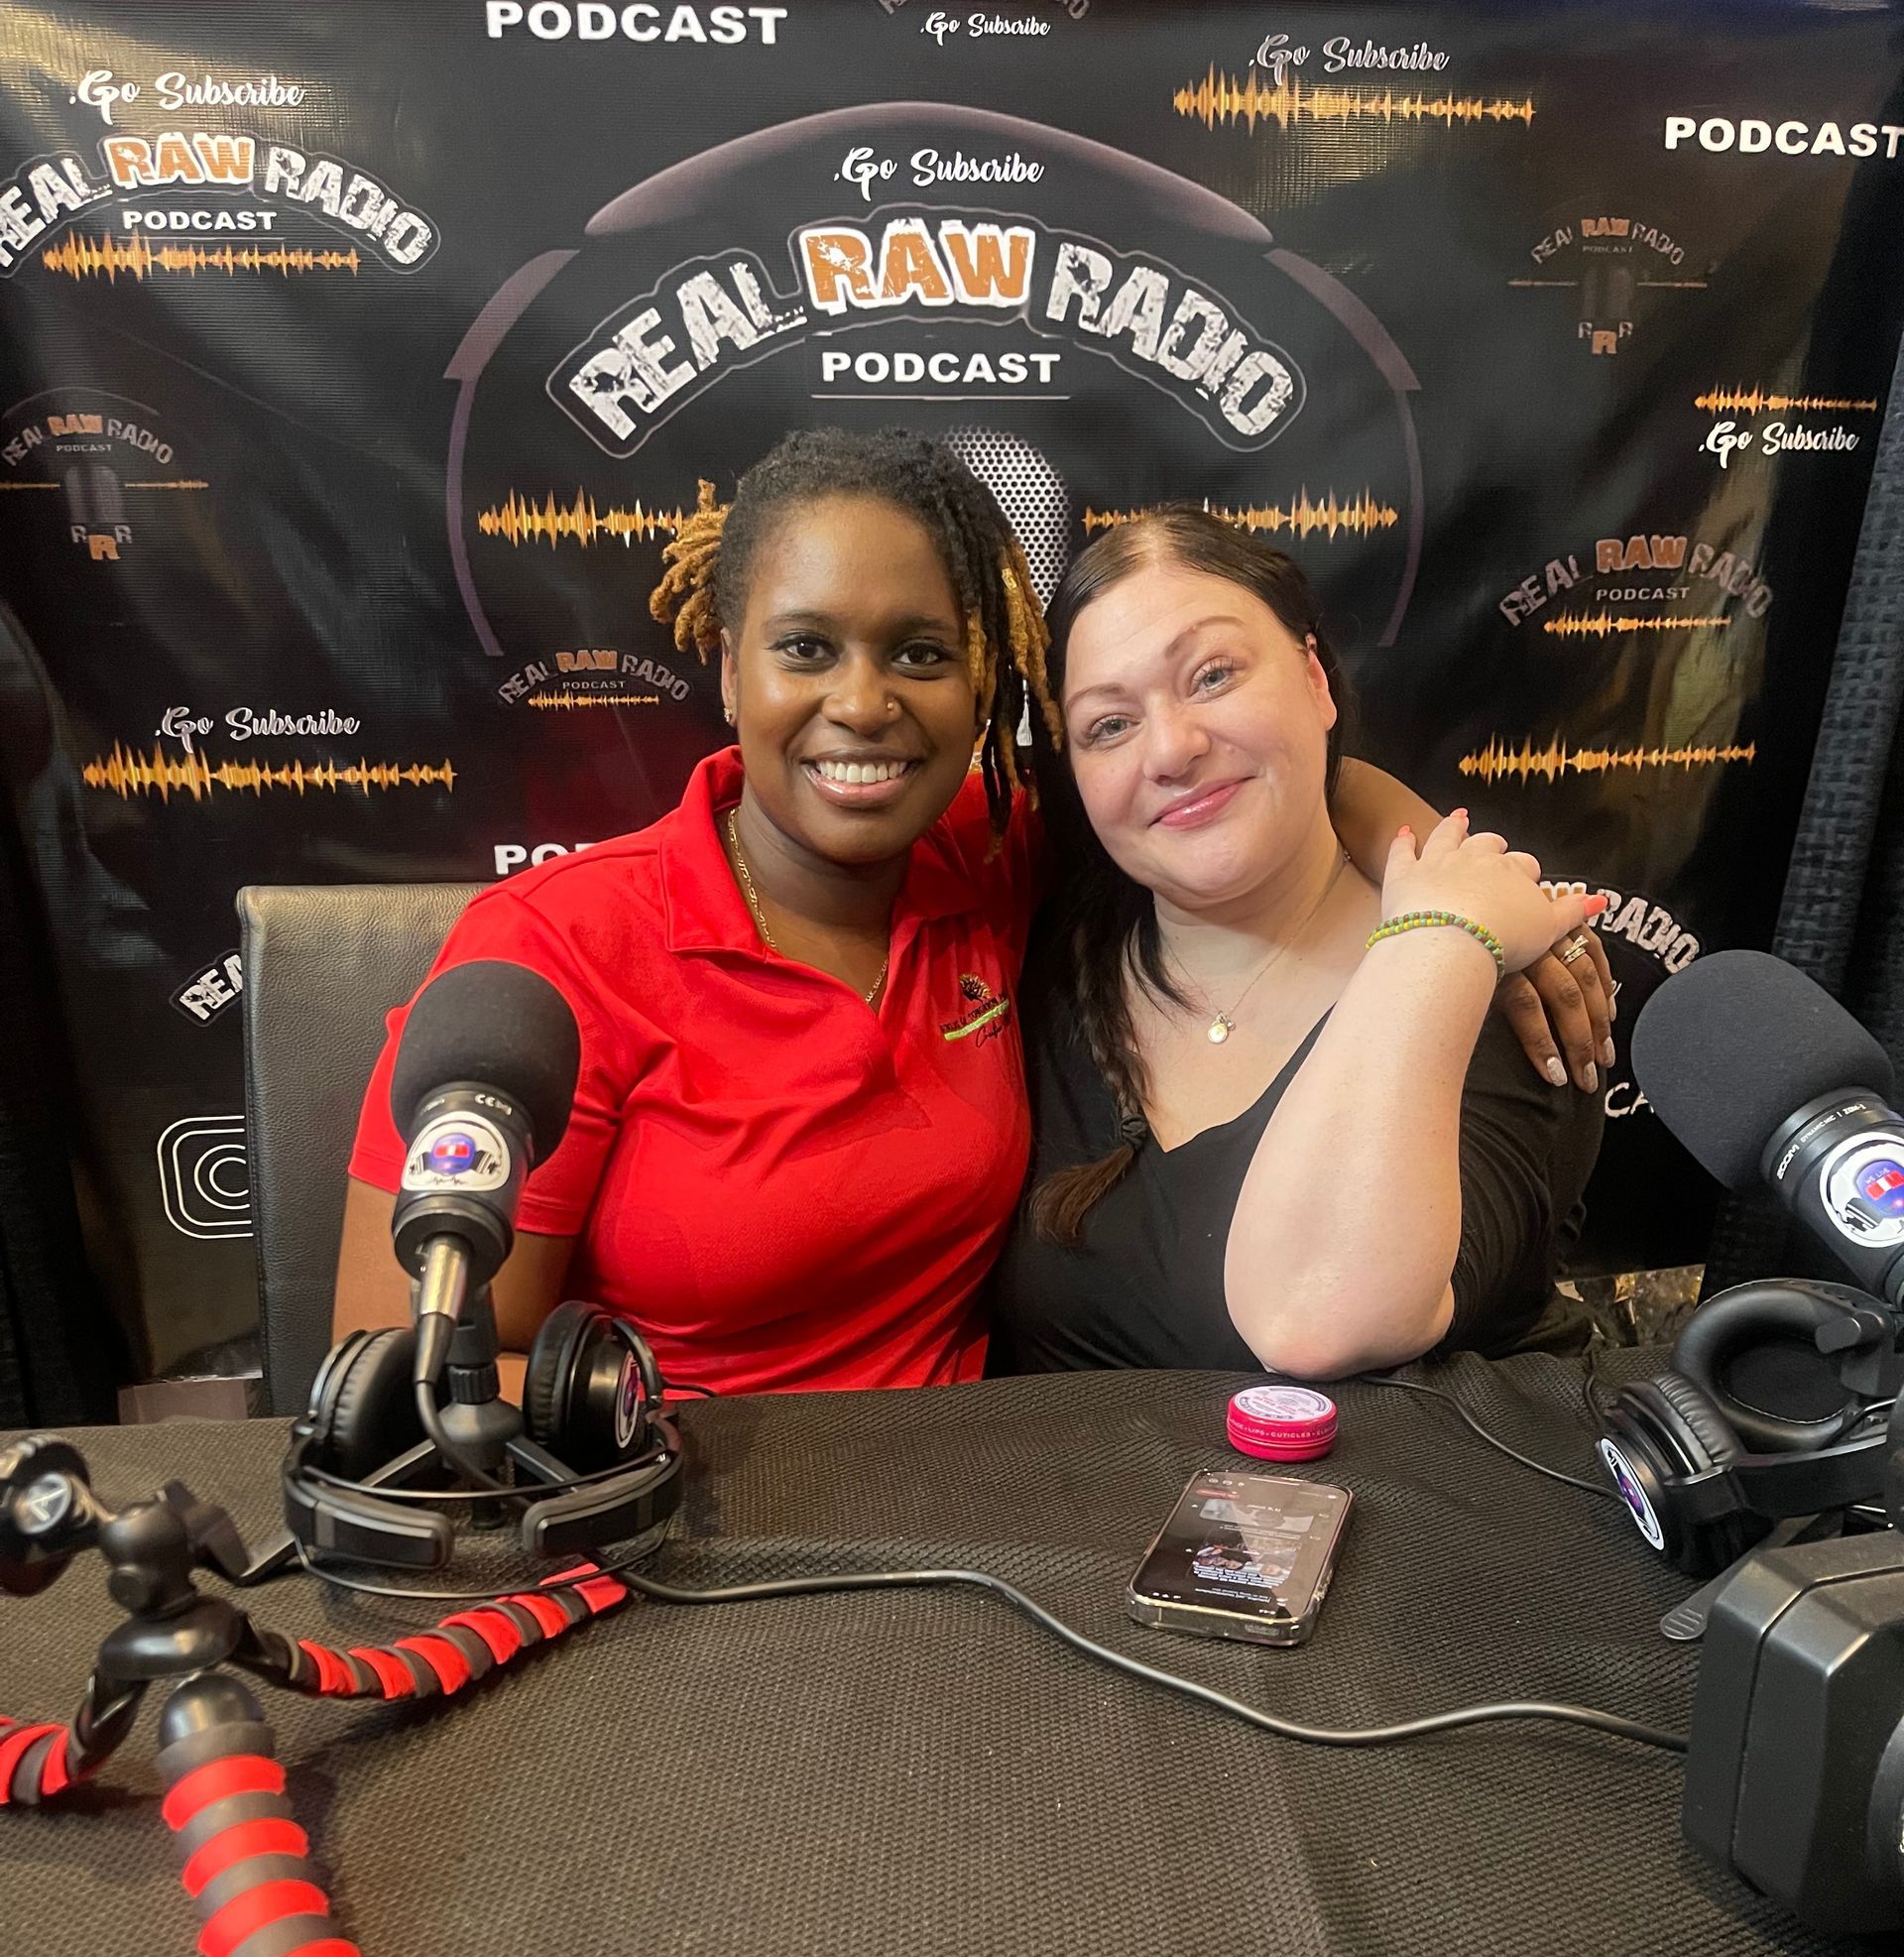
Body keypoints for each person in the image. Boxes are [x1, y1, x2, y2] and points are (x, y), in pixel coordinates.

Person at [336, 430, 1611, 1396]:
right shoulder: (557, 948)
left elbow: (1236, 790)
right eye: (805, 648)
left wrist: (1435, 890)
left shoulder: (993, 861)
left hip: (986, 1529)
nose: (863, 704)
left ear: (986, 688)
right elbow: (403, 1371)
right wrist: (646, 1435)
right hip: (661, 1529)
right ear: (727, 666)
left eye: (921, 653)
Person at [991, 508, 1606, 1381]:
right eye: (1109, 725)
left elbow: (1321, 1318)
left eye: (1213, 676)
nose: (1171, 749)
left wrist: (1438, 938)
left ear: (1315, 679)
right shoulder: (1044, 948)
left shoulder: (1486, 990)